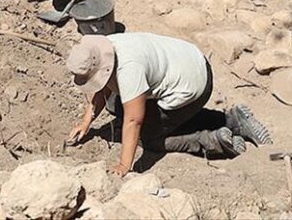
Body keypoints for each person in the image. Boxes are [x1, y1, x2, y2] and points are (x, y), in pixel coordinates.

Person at [65, 33, 273, 175]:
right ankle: (233, 120)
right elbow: (103, 86)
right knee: (116, 104)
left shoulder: (128, 69)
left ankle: (213, 141)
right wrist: (86, 122)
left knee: (148, 138)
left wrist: (124, 164)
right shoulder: (107, 47)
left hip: (193, 86)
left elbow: (134, 120)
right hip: (191, 62)